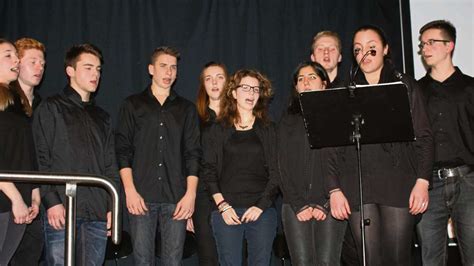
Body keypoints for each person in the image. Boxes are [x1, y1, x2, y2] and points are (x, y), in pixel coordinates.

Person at [325, 25, 434, 265]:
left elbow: (424, 137)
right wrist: (333, 189)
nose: (364, 54)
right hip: (357, 185)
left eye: (371, 48)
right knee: (369, 260)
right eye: (357, 49)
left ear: (385, 49)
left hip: (398, 182)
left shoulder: (404, 86)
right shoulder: (345, 91)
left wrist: (422, 181)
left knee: (397, 258)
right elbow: (332, 147)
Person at [33, 43, 118, 265]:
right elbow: (41, 157)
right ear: (70, 71)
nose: (95, 74)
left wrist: (112, 207)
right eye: (88, 68)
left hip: (97, 213)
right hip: (62, 208)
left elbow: (110, 165)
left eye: (98, 69)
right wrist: (51, 201)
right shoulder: (51, 108)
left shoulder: (103, 117)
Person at [115, 46, 201, 266]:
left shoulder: (187, 109)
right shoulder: (132, 105)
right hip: (141, 196)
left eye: (173, 67)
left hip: (176, 198)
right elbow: (123, 150)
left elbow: (193, 154)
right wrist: (130, 191)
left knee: (173, 261)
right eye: (163, 66)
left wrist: (190, 195)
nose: (169, 72)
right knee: (143, 261)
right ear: (151, 69)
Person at [201, 69, 279, 265]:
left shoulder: (270, 130)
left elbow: (277, 174)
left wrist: (260, 206)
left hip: (261, 212)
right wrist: (223, 206)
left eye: (255, 89)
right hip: (226, 212)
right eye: (245, 88)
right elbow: (208, 172)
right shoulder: (217, 130)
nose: (251, 93)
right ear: (234, 93)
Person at [416, 20, 474, 266]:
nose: (424, 48)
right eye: (422, 45)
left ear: (449, 45)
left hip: (468, 180)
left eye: (431, 42)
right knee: (431, 257)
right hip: (430, 184)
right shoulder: (417, 91)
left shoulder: (470, 87)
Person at [278, 61, 346, 265]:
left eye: (312, 77)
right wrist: (299, 205)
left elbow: (344, 163)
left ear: (324, 84)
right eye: (300, 79)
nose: (305, 82)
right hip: (294, 205)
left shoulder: (338, 116)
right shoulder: (287, 120)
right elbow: (281, 166)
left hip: (330, 203)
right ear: (296, 87)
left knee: (328, 262)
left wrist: (325, 202)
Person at [0, 39, 39, 266]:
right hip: (6, 199)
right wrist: (15, 198)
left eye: (16, 55)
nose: (16, 60)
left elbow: (26, 150)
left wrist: (34, 192)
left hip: (19, 200)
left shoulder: (16, 101)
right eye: (8, 55)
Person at [9, 37, 46, 266]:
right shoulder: (7, 101)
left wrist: (36, 192)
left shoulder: (42, 104)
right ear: (17, 64)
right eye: (33, 61)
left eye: (42, 62)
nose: (39, 67)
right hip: (7, 192)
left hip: (31, 193)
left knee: (30, 255)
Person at [193, 61, 229, 266]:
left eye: (219, 77)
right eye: (209, 78)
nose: (214, 83)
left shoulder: (240, 117)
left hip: (234, 195)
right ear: (203, 85)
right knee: (208, 258)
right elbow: (188, 162)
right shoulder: (193, 118)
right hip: (203, 199)